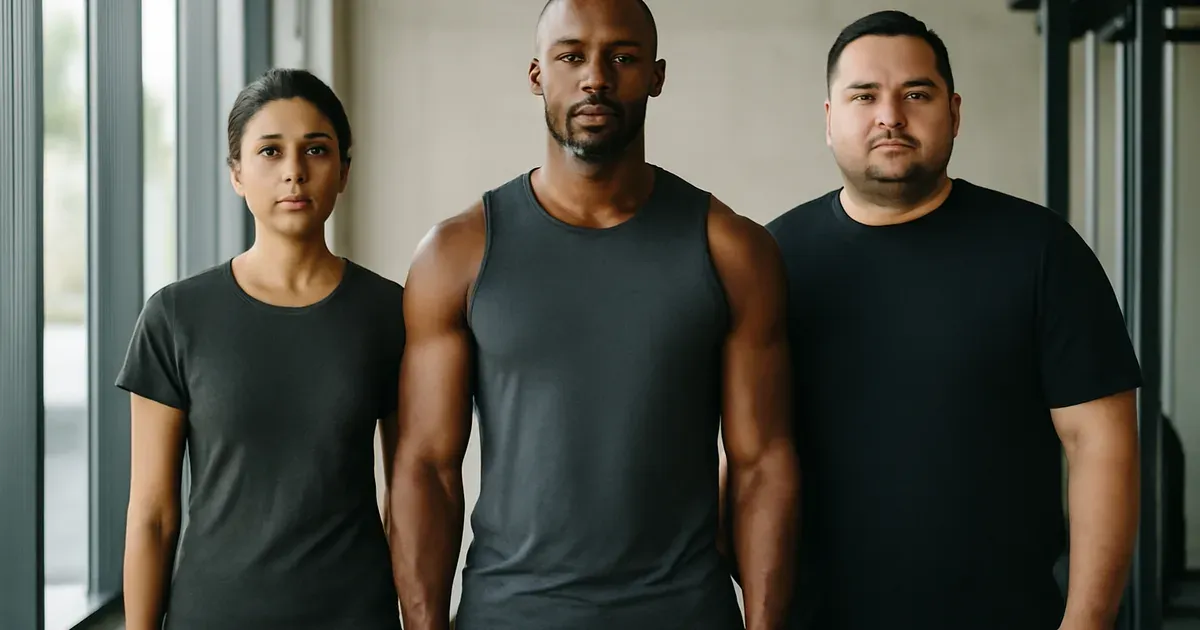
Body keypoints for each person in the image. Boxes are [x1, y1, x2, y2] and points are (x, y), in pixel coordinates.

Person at [388, 0, 800, 628]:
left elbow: (762, 463)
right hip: (510, 614)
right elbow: (427, 469)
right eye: (571, 56)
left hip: (682, 612)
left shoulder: (733, 250)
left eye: (623, 57)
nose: (596, 77)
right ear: (537, 75)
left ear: (657, 77)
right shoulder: (457, 253)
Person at [764, 10, 1142, 630]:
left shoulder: (1041, 251)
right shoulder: (772, 259)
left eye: (917, 93)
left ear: (955, 112)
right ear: (830, 120)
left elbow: (1101, 447)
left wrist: (1087, 623)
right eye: (865, 96)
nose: (891, 115)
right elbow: (745, 455)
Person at [117, 68, 405, 630]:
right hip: (213, 614)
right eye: (270, 151)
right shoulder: (175, 316)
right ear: (237, 174)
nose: (294, 172)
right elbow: (151, 513)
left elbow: (409, 495)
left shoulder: (389, 312)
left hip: (353, 614)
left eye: (315, 150)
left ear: (344, 170)